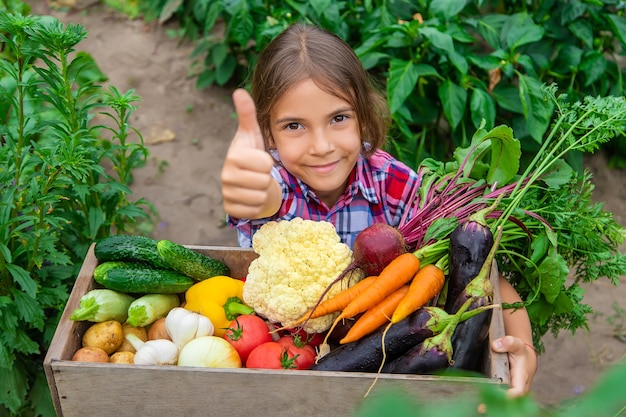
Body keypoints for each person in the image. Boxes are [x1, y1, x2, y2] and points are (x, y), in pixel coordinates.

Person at [220, 23, 536, 397]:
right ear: (269, 136)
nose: (321, 146)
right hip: (280, 362)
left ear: (363, 116)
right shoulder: (275, 185)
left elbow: (475, 270)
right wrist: (249, 190)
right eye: (294, 126)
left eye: (338, 118)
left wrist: (524, 346)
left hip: (385, 361)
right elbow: (260, 199)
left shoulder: (392, 183)